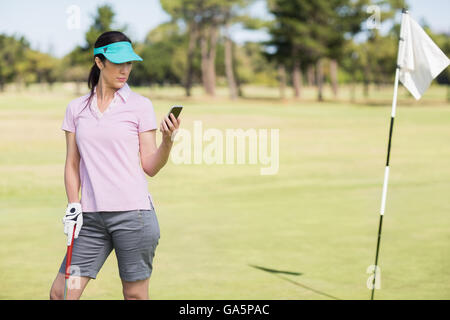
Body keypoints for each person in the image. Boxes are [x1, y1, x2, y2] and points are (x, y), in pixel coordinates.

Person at [49, 31, 180, 300]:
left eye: (129, 63)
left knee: (134, 296)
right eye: (118, 62)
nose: (125, 69)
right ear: (99, 62)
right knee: (61, 294)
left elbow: (151, 166)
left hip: (134, 217)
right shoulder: (76, 109)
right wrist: (73, 204)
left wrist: (167, 141)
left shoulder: (140, 106)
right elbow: (72, 163)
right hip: (91, 218)